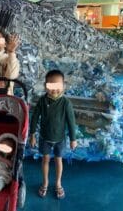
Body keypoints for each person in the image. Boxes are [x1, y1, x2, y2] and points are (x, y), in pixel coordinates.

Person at [29, 70, 77, 199]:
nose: (54, 90)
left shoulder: (66, 103)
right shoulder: (42, 101)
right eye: (51, 86)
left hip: (60, 139)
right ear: (45, 86)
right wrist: (32, 134)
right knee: (45, 160)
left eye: (58, 86)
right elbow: (34, 117)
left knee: (58, 160)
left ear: (63, 86)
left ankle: (58, 183)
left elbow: (71, 122)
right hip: (45, 138)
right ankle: (45, 182)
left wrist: (73, 139)